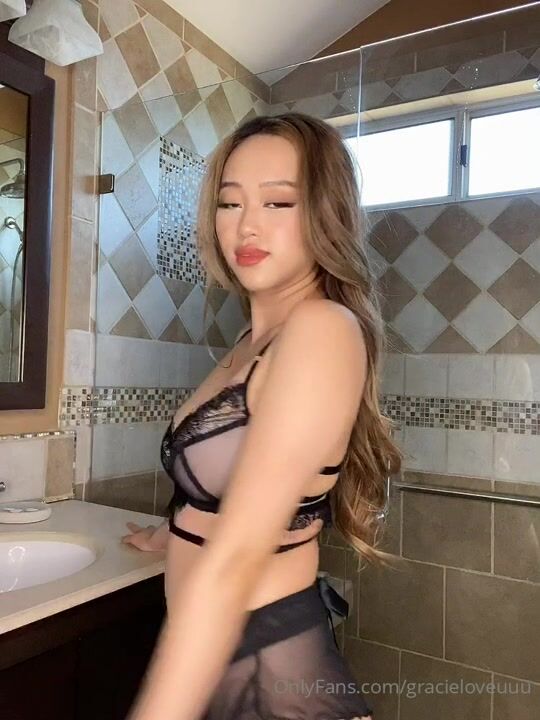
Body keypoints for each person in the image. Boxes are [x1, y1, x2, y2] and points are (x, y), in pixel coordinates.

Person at [121, 112, 401, 720]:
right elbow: (227, 487)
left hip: (271, 677)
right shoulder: (252, 342)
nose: (246, 224)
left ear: (325, 214)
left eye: (278, 202)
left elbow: (239, 558)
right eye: (230, 203)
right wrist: (168, 533)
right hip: (226, 660)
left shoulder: (322, 330)